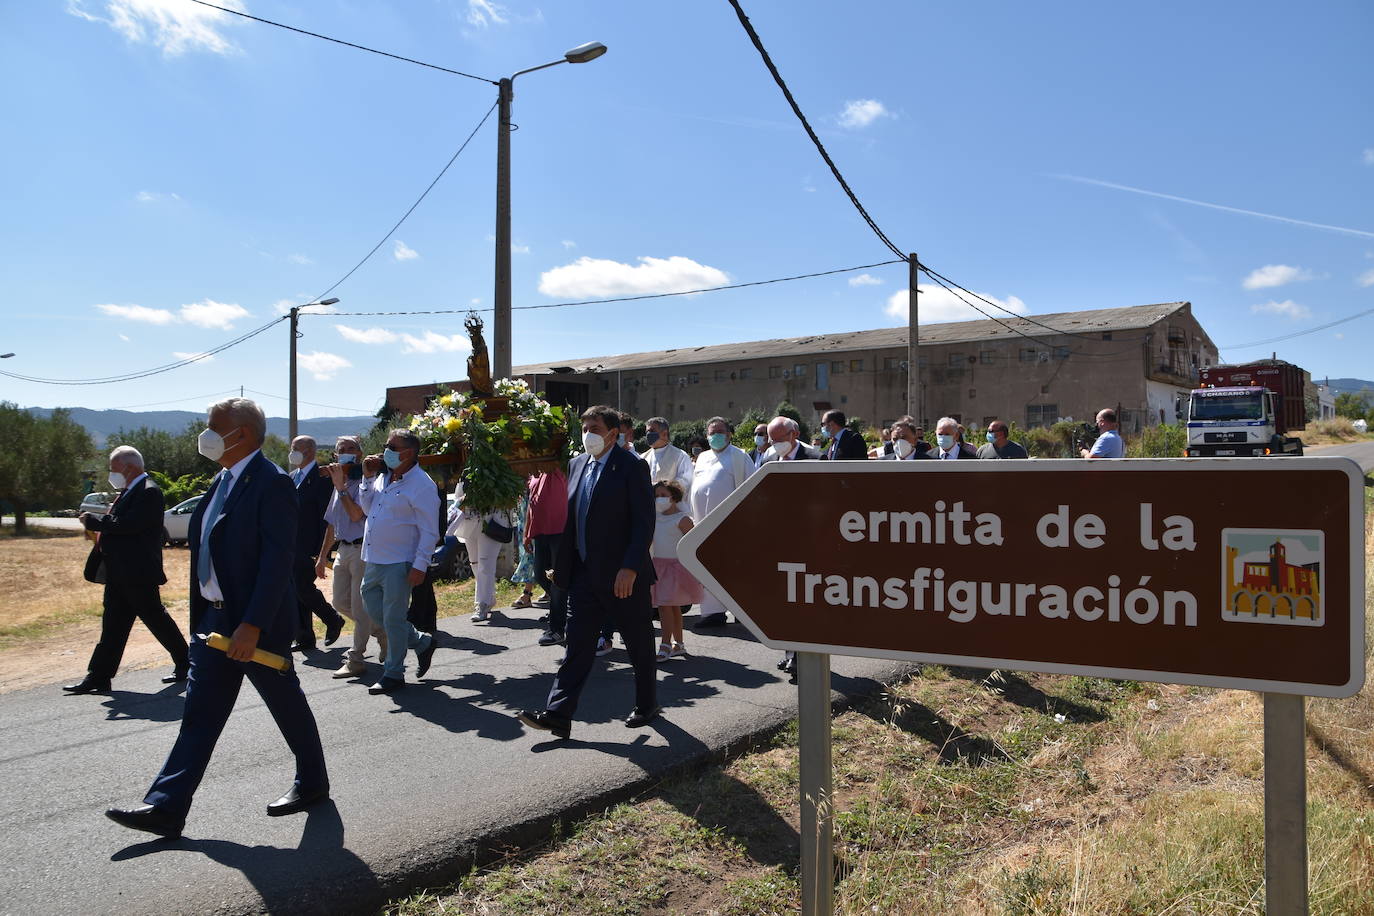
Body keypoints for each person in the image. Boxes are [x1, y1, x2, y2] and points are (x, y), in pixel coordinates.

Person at [105, 398, 329, 839]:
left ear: (240, 433)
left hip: (253, 624)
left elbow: (277, 562)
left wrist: (253, 624)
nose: (205, 435)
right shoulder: (222, 480)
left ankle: (313, 782)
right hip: (214, 621)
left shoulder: (272, 483)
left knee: (286, 704)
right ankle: (166, 807)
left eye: (213, 427)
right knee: (200, 715)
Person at [517, 406, 659, 740]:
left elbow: (643, 523)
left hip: (622, 577)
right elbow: (574, 519)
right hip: (583, 575)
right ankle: (558, 715)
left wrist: (630, 567)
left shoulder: (631, 466)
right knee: (577, 647)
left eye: (594, 428)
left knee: (638, 642)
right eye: (584, 428)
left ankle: (647, 704)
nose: (587, 434)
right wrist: (563, 567)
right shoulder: (577, 464)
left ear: (613, 433)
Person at [67, 446, 189, 694]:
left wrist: (94, 521)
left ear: (130, 468)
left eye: (114, 470)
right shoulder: (129, 491)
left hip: (138, 573)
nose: (112, 475)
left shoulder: (149, 491)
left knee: (156, 620)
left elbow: (130, 524)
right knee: (113, 625)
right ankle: (99, 676)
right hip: (119, 572)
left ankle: (186, 663)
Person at [357, 429, 440, 694]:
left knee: (393, 619)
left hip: (399, 561)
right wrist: (367, 478)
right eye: (386, 445)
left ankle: (393, 673)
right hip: (374, 558)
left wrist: (420, 565)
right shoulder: (384, 477)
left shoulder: (422, 485)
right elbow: (367, 509)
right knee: (373, 608)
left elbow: (430, 531)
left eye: (392, 447)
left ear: (408, 453)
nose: (386, 451)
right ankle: (421, 642)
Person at [315, 436, 386, 678]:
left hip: (362, 549)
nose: (347, 452)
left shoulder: (367, 481)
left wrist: (341, 488)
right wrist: (322, 556)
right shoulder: (340, 482)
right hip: (343, 550)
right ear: (335, 456)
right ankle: (382, 632)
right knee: (339, 603)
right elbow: (332, 524)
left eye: (352, 448)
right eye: (342, 449)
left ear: (360, 454)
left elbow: (356, 515)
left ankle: (356, 659)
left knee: (359, 606)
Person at [688, 417, 754, 628]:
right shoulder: (702, 457)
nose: (715, 436)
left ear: (729, 434)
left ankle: (742, 612)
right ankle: (713, 613)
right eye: (711, 432)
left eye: (719, 432)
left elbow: (751, 489)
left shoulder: (739, 456)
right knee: (708, 568)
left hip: (730, 526)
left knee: (733, 569)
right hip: (703, 524)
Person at [287, 435, 345, 652]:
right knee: (295, 589)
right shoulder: (292, 477)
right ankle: (304, 637)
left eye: (296, 448)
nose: (292, 453)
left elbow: (326, 517)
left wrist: (322, 551)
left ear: (310, 451)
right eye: (292, 448)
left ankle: (332, 619)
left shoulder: (322, 477)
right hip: (292, 543)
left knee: (302, 587)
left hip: (311, 545)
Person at [650, 480, 700, 661]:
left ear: (674, 496)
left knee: (666, 606)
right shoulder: (654, 518)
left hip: (676, 569)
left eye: (663, 495)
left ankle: (665, 644)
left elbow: (694, 544)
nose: (659, 499)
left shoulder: (682, 519)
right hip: (658, 567)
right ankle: (678, 643)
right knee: (670, 606)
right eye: (656, 496)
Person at [525, 468, 569, 646]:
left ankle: (557, 629)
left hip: (560, 531)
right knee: (540, 575)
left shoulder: (558, 468)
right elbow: (531, 503)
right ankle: (563, 608)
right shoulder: (535, 473)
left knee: (557, 580)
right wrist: (527, 532)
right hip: (540, 531)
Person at [639, 416, 693, 502]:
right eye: (647, 432)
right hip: (648, 505)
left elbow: (685, 482)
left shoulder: (680, 456)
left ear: (664, 433)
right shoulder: (643, 457)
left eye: (652, 431)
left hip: (672, 504)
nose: (648, 434)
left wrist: (662, 488)